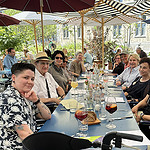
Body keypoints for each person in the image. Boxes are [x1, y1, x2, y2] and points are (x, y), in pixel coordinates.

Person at [0, 63, 51, 149]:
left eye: (32, 79)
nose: (30, 82)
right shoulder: (9, 100)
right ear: (13, 78)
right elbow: (25, 135)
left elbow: (47, 116)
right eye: (26, 78)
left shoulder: (24, 95)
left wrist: (36, 101)